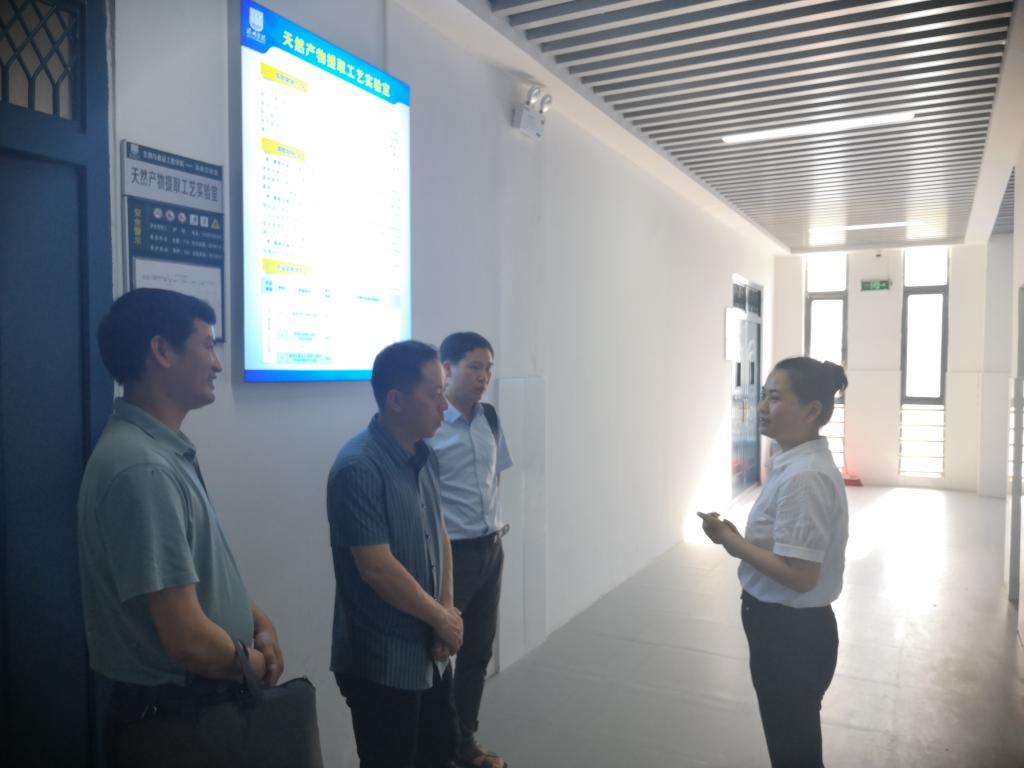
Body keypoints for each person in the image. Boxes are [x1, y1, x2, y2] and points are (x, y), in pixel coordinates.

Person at [77, 288, 285, 765]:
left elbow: (194, 573)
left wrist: (258, 622)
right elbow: (187, 637)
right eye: (207, 345)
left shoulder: (161, 450)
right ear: (162, 351)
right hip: (177, 721)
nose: (217, 364)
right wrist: (254, 664)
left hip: (197, 708)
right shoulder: (142, 467)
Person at [699, 357, 849, 768]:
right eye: (763, 396)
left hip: (790, 637)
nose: (763, 407)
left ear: (812, 411)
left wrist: (731, 542)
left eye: (776, 398)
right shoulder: (796, 463)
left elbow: (801, 576)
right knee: (793, 744)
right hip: (787, 631)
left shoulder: (805, 477)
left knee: (794, 754)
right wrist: (742, 540)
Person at [327, 340, 464, 768]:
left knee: (440, 754)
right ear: (396, 400)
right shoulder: (359, 467)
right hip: (383, 662)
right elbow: (377, 568)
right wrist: (439, 617)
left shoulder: (425, 455)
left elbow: (439, 534)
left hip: (431, 652)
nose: (445, 405)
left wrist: (445, 612)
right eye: (435, 393)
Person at [426, 333, 513, 768]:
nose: (484, 377)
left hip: (491, 549)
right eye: (474, 367)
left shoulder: (489, 419)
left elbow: (494, 476)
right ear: (447, 368)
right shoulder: (430, 426)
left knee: (477, 654)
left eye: (488, 368)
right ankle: (435, 749)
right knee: (438, 655)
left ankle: (464, 743)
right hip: (451, 557)